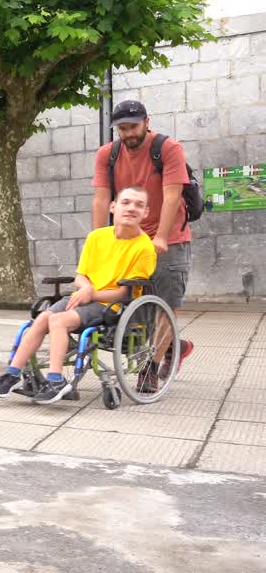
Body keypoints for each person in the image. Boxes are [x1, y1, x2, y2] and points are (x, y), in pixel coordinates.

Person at [0, 186, 157, 404]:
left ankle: (56, 380)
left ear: (146, 213)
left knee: (58, 321)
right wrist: (86, 288)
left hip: (111, 305)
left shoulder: (144, 248)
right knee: (42, 319)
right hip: (82, 297)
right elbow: (81, 275)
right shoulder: (97, 237)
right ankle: (12, 373)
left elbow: (126, 292)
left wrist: (92, 294)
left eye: (139, 204)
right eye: (126, 202)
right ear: (113, 207)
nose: (131, 208)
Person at [92, 100, 194, 382]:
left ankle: (151, 367)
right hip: (128, 239)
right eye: (122, 129)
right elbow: (102, 198)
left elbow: (172, 196)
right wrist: (99, 240)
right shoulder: (107, 155)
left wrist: (160, 237)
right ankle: (176, 346)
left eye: (133, 127)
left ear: (146, 122)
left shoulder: (168, 149)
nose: (128, 134)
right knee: (134, 302)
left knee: (166, 302)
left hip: (169, 239)